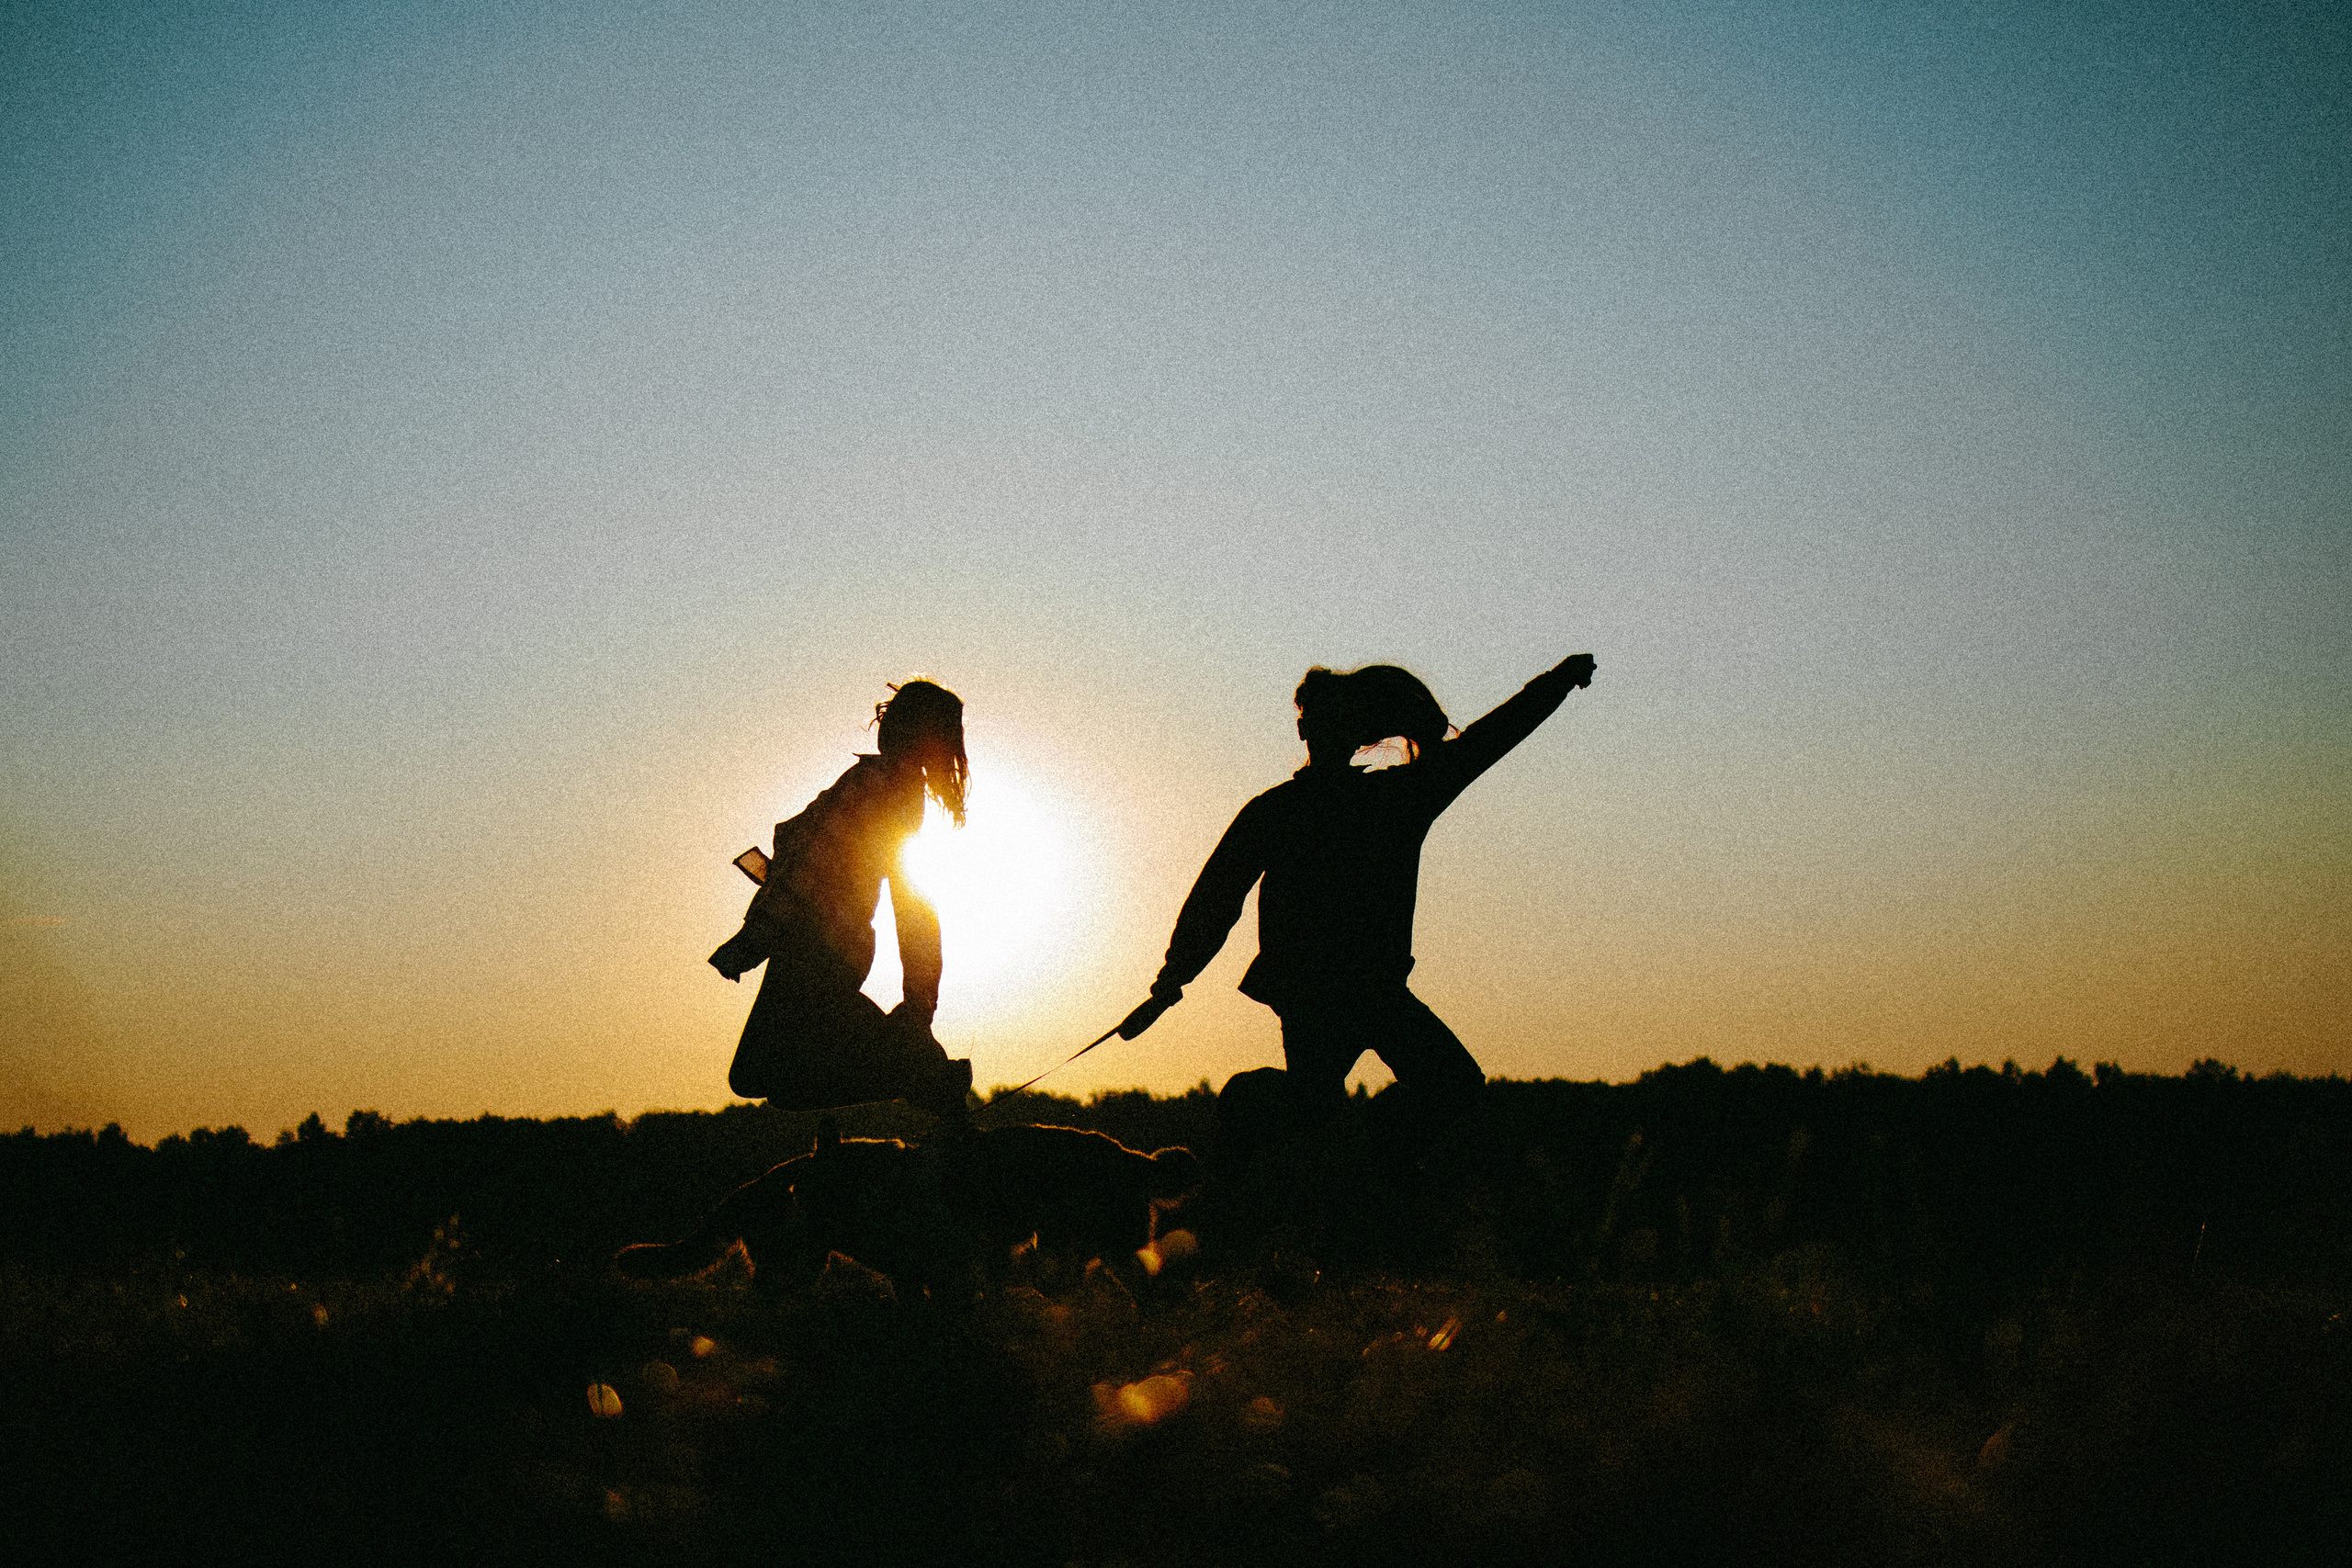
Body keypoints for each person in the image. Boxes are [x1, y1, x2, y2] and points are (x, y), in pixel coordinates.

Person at [1114, 652, 1598, 1156]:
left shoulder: (1348, 803)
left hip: (1349, 992)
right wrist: (1171, 981)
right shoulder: (1382, 800)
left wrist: (1173, 979)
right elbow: (1215, 899)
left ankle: (1331, 1145)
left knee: (1384, 1102)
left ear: (1334, 730)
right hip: (1336, 994)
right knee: (1435, 1091)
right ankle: (1326, 1143)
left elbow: (1214, 900)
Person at [707, 679, 975, 1122]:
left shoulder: (875, 783)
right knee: (773, 1082)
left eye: (892, 715)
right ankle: (920, 1069)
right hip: (831, 947)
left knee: (758, 1075)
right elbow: (900, 898)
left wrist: (751, 941)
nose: (882, 723)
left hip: (817, 947)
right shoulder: (900, 790)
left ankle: (923, 1073)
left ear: (904, 728)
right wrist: (919, 1001)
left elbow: (815, 870)